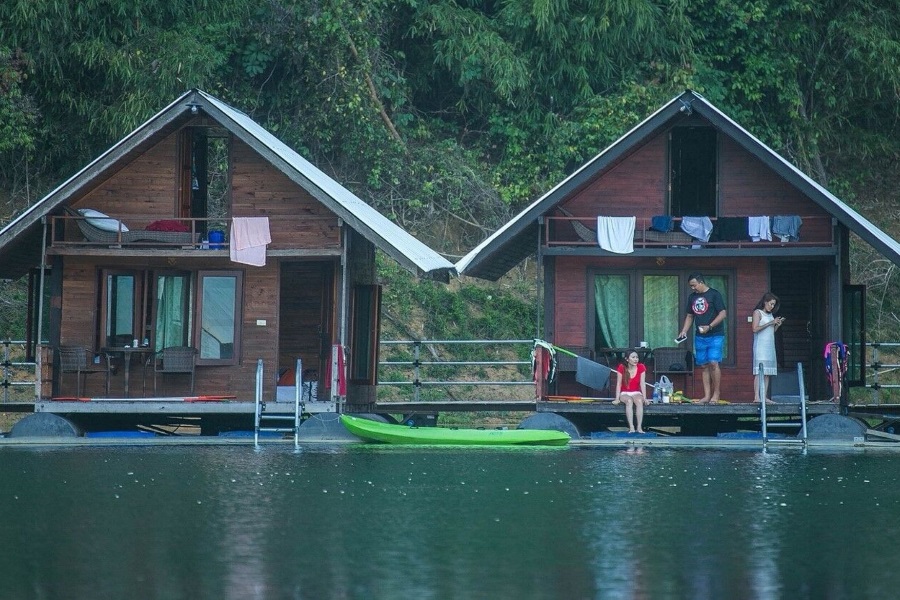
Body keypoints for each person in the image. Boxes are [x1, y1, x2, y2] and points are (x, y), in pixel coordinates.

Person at [677, 273, 727, 404]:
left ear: (701, 282)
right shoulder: (692, 297)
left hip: (716, 334)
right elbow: (690, 316)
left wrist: (709, 326)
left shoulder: (714, 294)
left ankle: (716, 393)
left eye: (694, 285)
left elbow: (723, 313)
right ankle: (707, 395)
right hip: (700, 336)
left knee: (713, 362)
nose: (693, 288)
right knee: (704, 365)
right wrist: (684, 331)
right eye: (691, 286)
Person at [751, 292, 784, 403]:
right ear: (765, 302)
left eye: (774, 305)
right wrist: (771, 323)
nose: (772, 306)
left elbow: (770, 332)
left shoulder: (770, 315)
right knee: (759, 371)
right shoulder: (758, 312)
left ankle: (764, 396)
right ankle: (757, 397)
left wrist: (776, 325)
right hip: (760, 346)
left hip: (769, 346)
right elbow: (755, 329)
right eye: (770, 304)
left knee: (767, 373)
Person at [613, 349, 649, 434]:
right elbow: (618, 384)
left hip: (636, 392)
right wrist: (617, 398)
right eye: (633, 357)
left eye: (637, 357)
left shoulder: (641, 367)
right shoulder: (622, 367)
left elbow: (642, 384)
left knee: (639, 401)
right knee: (629, 401)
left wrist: (645, 398)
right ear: (627, 359)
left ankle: (639, 427)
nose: (636, 359)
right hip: (625, 392)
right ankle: (632, 427)